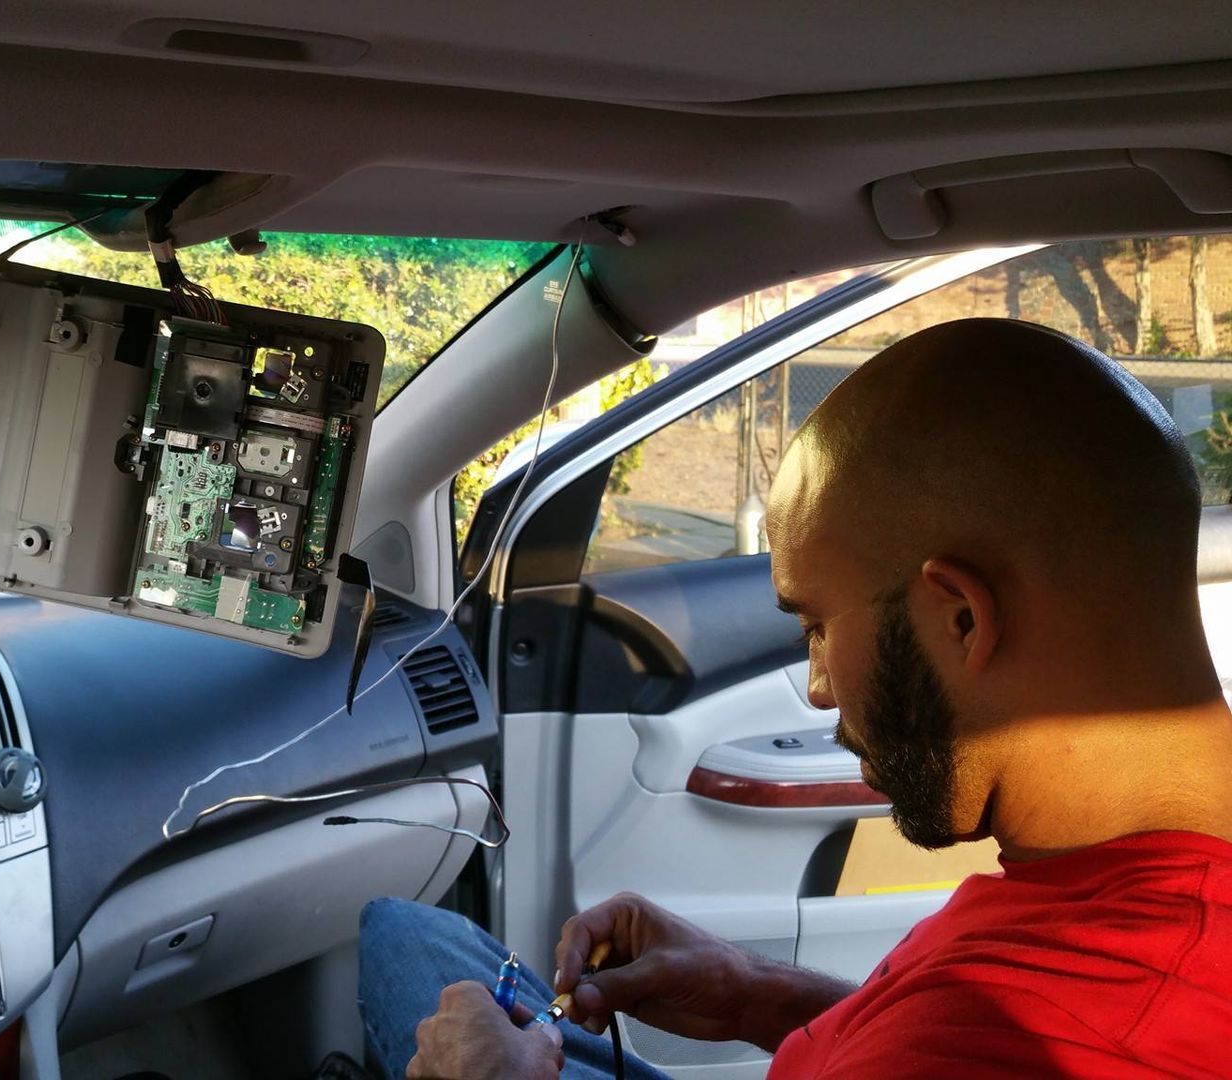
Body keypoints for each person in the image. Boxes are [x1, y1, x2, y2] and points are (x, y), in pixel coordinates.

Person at [358, 318, 1232, 1078]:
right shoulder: (1116, 928)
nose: (818, 690)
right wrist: (755, 992)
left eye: (816, 626)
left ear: (962, 618)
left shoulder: (1055, 1022)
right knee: (412, 940)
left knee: (417, 967)